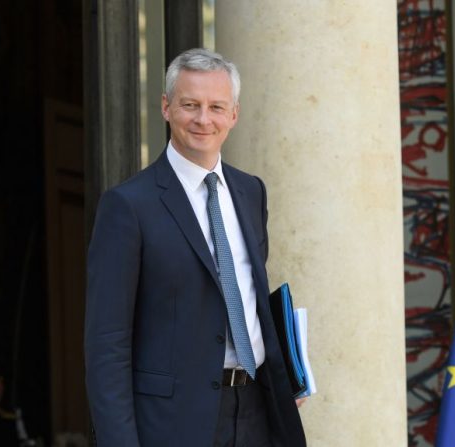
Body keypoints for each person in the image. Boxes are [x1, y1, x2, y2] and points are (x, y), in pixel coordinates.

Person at [85, 48, 306, 447]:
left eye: (216, 107)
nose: (204, 119)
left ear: (234, 115)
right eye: (190, 105)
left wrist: (288, 374)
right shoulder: (128, 206)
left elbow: (250, 298)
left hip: (257, 410)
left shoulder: (250, 192)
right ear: (167, 107)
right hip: (173, 424)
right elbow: (107, 345)